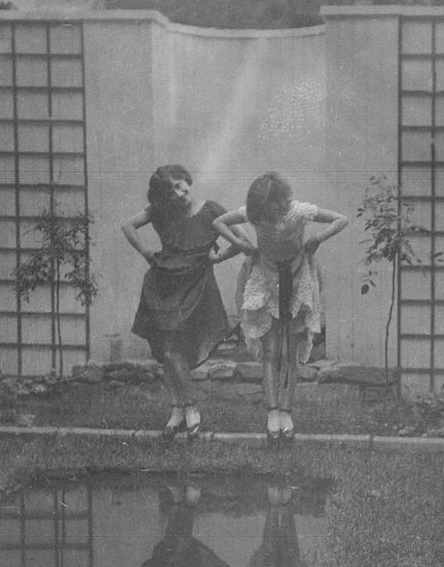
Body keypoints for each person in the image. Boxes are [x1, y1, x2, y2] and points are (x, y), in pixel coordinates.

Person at [212, 173, 349, 442]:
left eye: (272, 208)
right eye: (262, 211)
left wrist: (318, 238)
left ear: (282, 201)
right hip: (266, 277)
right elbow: (218, 222)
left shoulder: (298, 211)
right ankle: (272, 413)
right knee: (271, 350)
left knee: (290, 350)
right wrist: (241, 244)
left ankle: (287, 412)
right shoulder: (255, 214)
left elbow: (341, 219)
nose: (269, 215)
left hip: (297, 278)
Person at [122, 165, 242, 440]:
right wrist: (145, 252)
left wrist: (218, 257)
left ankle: (189, 408)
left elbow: (242, 242)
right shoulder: (161, 210)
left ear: (187, 180)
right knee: (168, 351)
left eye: (179, 185)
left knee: (175, 350)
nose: (178, 193)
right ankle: (179, 409)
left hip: (196, 287)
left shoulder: (212, 210)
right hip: (163, 283)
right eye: (170, 190)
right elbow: (127, 226)